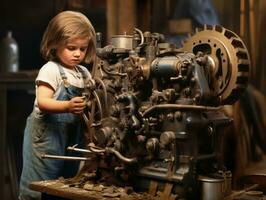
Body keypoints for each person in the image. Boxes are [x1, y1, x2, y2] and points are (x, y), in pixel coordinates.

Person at [19, 10, 96, 200]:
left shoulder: (84, 73)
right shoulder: (51, 69)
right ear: (54, 44)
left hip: (72, 138)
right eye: (71, 48)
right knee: (39, 186)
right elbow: (44, 102)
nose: (78, 54)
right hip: (47, 139)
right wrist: (67, 106)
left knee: (66, 185)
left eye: (83, 48)